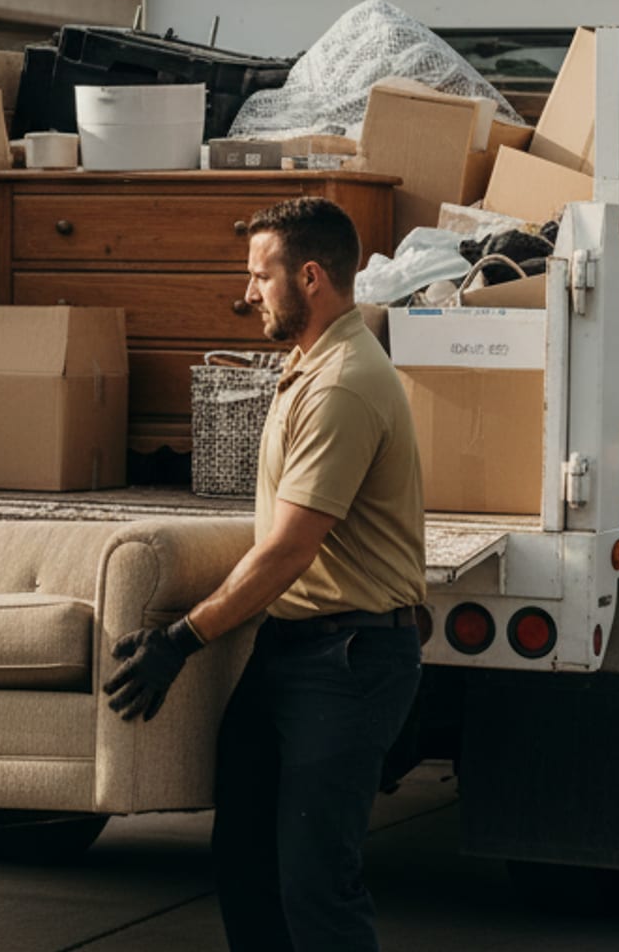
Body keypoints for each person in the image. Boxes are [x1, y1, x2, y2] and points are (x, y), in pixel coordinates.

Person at [103, 196, 425, 951]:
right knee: (246, 863)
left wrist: (180, 640)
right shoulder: (306, 363)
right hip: (288, 646)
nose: (247, 293)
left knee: (316, 882)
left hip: (348, 662)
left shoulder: (343, 383)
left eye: (260, 276)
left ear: (310, 277)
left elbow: (288, 550)